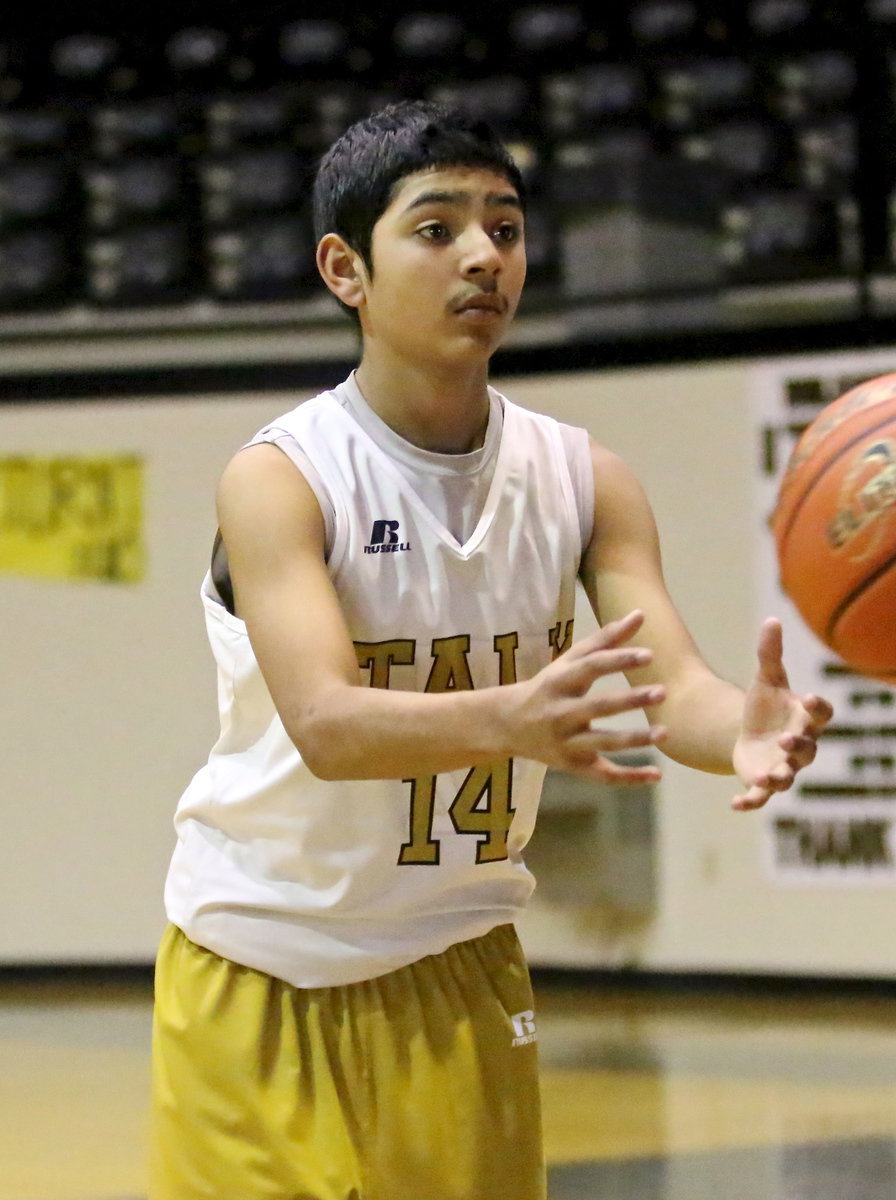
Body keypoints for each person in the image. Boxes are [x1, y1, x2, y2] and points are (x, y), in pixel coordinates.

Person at [149, 99, 833, 1200]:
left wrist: (737, 734)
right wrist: (510, 719)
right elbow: (325, 724)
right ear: (345, 269)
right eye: (436, 229)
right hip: (259, 967)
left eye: (504, 228)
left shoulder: (582, 476)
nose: (482, 256)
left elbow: (665, 685)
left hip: (458, 966)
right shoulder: (280, 480)